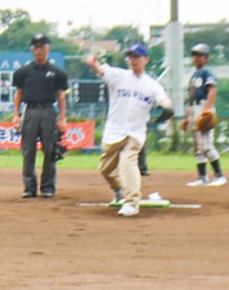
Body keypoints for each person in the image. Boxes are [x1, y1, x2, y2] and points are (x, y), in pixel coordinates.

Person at [86, 44, 174, 217]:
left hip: (134, 133)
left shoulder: (151, 85)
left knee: (128, 163)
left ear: (145, 60)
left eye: (137, 56)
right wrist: (92, 63)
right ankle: (118, 189)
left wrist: (167, 108)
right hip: (114, 131)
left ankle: (131, 202)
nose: (133, 60)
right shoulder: (118, 76)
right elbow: (101, 70)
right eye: (131, 57)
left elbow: (164, 100)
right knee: (105, 169)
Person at [11, 34, 68, 199]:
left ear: (48, 48)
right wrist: (16, 115)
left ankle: (48, 187)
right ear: (32, 50)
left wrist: (62, 118)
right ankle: (29, 187)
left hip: (49, 111)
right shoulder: (24, 72)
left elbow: (61, 96)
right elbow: (19, 94)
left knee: (50, 150)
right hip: (30, 111)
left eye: (42, 47)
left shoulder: (57, 72)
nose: (39, 50)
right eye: (36, 47)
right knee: (28, 151)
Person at [183, 43, 225, 187]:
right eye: (194, 55)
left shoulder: (207, 73)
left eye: (200, 55)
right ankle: (202, 177)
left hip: (203, 107)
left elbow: (212, 90)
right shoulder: (194, 75)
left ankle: (219, 175)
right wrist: (186, 118)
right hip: (194, 108)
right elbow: (191, 99)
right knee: (197, 146)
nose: (196, 58)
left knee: (206, 145)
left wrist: (206, 109)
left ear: (206, 58)